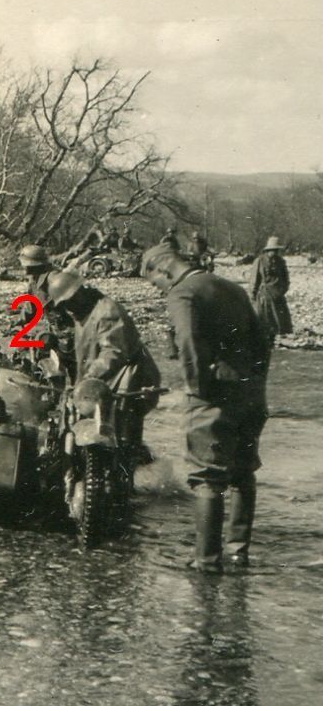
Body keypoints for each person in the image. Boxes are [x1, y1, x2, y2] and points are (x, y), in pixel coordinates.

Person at [141, 244, 270, 571]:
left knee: (206, 477)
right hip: (250, 392)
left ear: (164, 268)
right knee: (243, 472)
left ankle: (207, 560)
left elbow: (188, 344)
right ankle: (239, 551)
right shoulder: (231, 287)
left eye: (156, 282)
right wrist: (254, 381)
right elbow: (262, 341)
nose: (161, 290)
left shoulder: (183, 293)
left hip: (214, 397)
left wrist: (198, 389)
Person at [46, 271, 160, 460]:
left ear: (80, 292)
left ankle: (125, 473)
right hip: (107, 376)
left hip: (130, 376)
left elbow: (113, 353)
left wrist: (90, 377)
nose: (68, 308)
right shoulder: (85, 312)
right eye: (64, 304)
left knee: (122, 432)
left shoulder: (106, 311)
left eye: (70, 301)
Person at [251, 236, 293, 347]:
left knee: (277, 321)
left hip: (277, 295)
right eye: (272, 250)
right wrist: (253, 294)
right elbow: (254, 279)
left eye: (276, 250)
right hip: (264, 295)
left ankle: (272, 340)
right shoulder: (259, 261)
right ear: (268, 250)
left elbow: (286, 279)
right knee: (264, 319)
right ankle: (266, 342)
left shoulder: (281, 262)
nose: (274, 253)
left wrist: (282, 291)